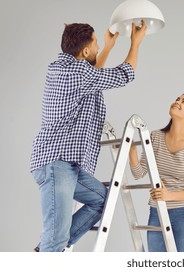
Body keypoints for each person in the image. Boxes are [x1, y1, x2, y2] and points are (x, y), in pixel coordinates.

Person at [30, 21, 147, 252]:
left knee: (104, 201)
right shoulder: (79, 72)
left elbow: (90, 76)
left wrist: (107, 46)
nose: (96, 49)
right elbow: (125, 74)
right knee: (55, 240)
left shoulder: (62, 68)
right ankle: (49, 249)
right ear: (84, 51)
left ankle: (47, 248)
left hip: (63, 164)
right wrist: (136, 42)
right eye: (95, 44)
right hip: (57, 164)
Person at [129, 92, 184, 252]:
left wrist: (169, 196)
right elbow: (139, 173)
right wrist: (131, 151)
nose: (177, 101)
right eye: (177, 99)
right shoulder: (155, 137)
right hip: (157, 211)